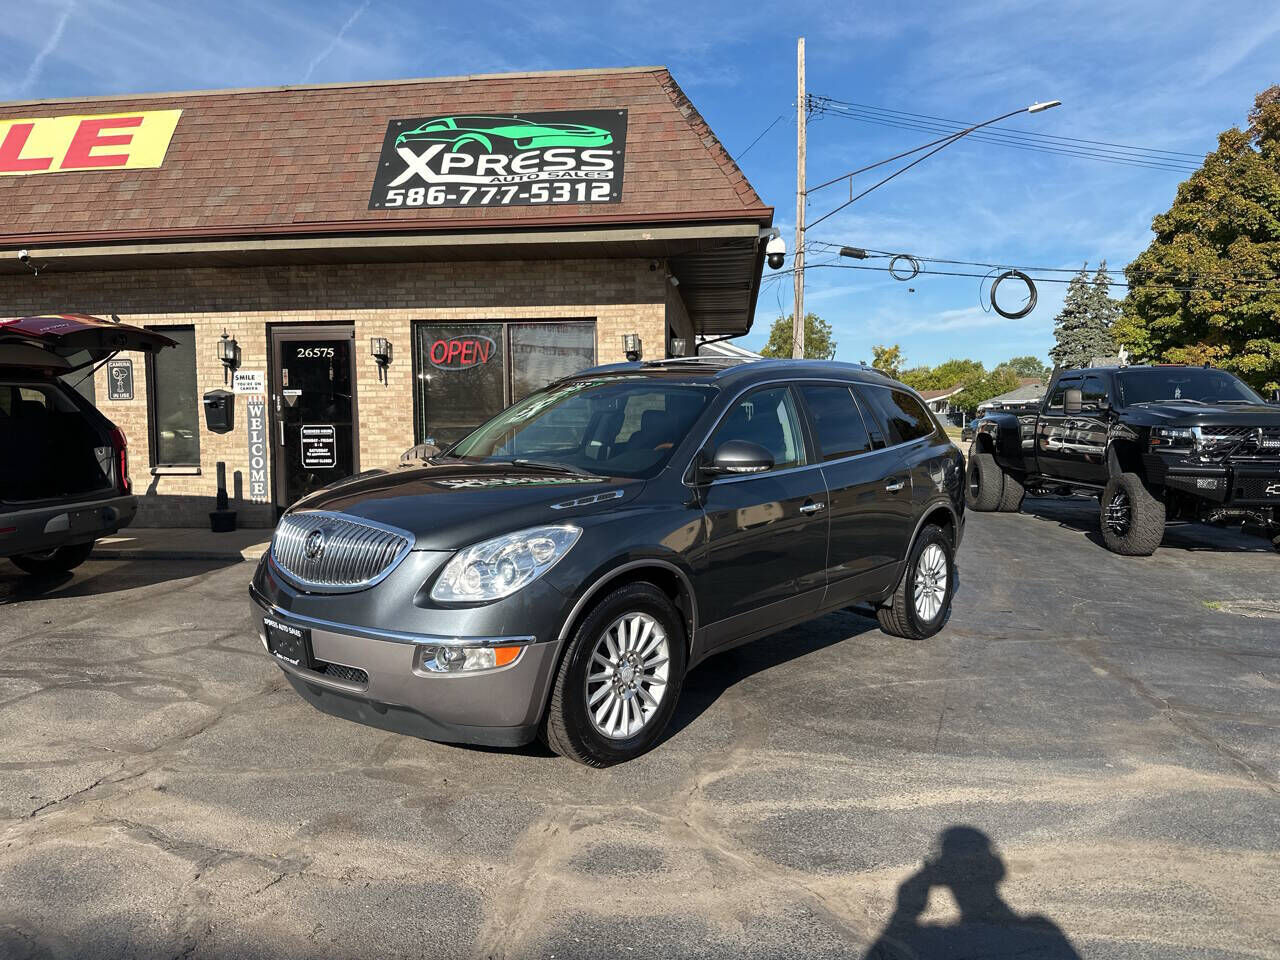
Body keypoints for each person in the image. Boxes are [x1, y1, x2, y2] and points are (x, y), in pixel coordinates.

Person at [863, 827, 1081, 959]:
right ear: (996, 869)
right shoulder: (1041, 932)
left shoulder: (931, 941)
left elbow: (881, 954)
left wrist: (904, 913)